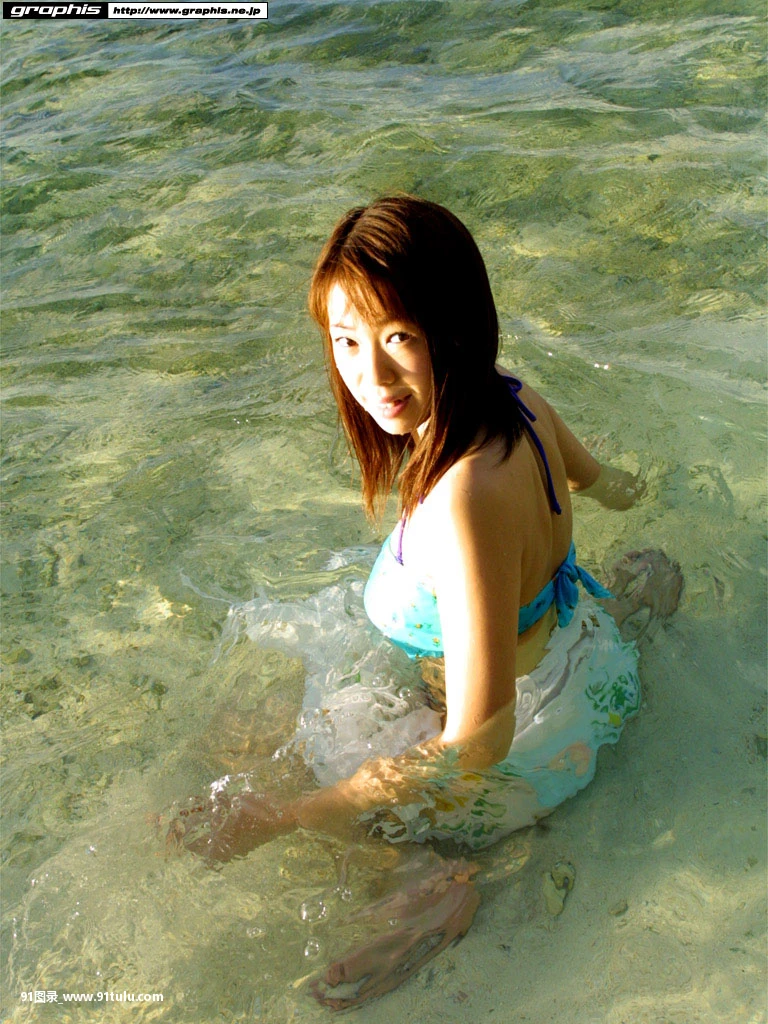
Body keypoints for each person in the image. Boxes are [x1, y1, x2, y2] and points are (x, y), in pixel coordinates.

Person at [172, 196, 682, 1008]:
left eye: (398, 337)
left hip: (529, 749)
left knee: (321, 782)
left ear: (454, 325)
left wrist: (298, 813)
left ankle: (428, 887)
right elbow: (605, 484)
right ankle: (640, 598)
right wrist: (658, 492)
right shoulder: (516, 400)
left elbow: (479, 740)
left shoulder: (463, 500)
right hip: (583, 656)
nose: (370, 377)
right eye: (347, 341)